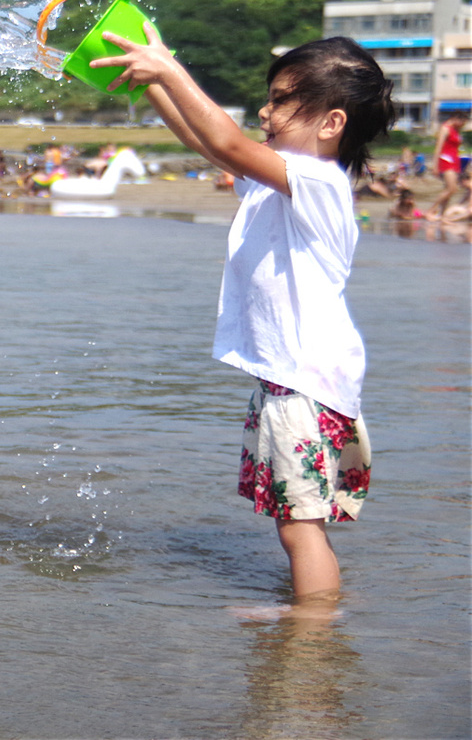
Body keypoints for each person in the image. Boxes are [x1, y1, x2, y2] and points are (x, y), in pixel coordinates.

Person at [94, 31, 392, 603]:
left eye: (282, 99)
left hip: (306, 382)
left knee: (299, 528)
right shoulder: (279, 179)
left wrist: (172, 69)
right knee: (299, 521)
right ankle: (310, 625)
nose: (265, 109)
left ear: (331, 124)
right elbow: (209, 144)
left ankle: (310, 636)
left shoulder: (320, 183)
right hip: (297, 380)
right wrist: (156, 80)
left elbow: (228, 145)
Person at [427, 114, 465, 219]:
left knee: (449, 189)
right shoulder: (445, 128)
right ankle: (431, 210)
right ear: (456, 119)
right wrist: (435, 165)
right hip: (446, 160)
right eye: (463, 123)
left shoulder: (455, 130)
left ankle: (442, 213)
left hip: (455, 160)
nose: (463, 125)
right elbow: (438, 147)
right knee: (452, 189)